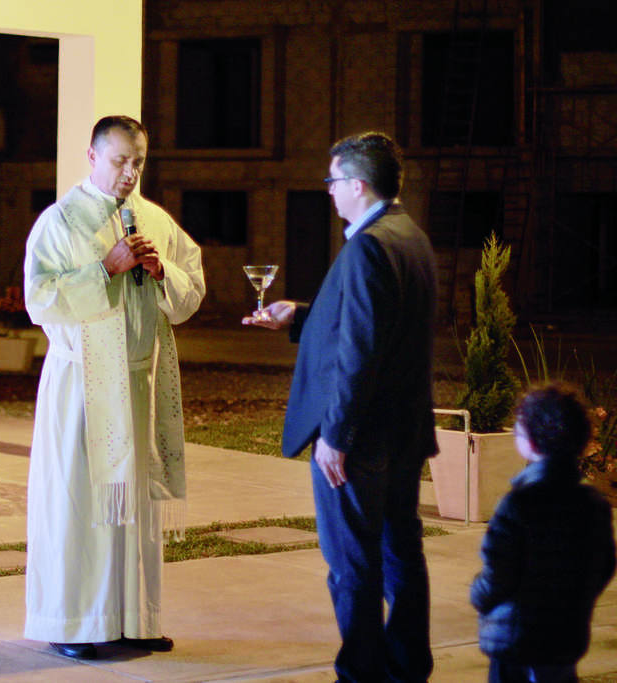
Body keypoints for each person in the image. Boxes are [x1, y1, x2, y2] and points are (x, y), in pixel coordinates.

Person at [244, 131, 439, 682]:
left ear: (358, 184)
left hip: (363, 438)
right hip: (403, 431)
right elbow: (372, 324)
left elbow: (359, 353)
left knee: (354, 562)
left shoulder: (367, 247)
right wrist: (301, 315)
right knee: (402, 552)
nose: (328, 191)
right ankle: (407, 668)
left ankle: (361, 673)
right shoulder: (410, 236)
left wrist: (336, 436)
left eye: (333, 181)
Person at [22, 115, 205, 660]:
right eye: (120, 160)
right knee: (80, 504)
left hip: (139, 381)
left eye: (138, 162)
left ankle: (134, 618)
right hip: (82, 385)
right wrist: (105, 268)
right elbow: (39, 299)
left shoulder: (155, 220)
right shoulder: (60, 221)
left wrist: (162, 270)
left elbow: (191, 288)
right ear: (93, 156)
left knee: (136, 507)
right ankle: (74, 622)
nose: (130, 172)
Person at [471, 383, 616, 683]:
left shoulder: (518, 503)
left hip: (515, 638)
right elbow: (604, 565)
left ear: (532, 440)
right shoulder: (594, 505)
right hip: (565, 637)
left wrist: (479, 595)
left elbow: (497, 573)